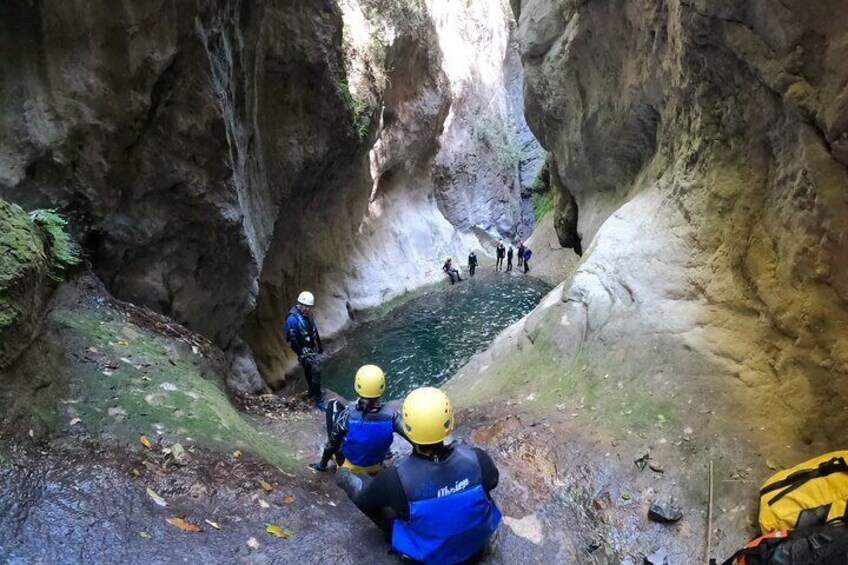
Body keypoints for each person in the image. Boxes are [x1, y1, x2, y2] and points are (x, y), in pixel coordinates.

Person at [336, 387, 501, 565]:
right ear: (448, 421)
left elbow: (365, 502)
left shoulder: (395, 478)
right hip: (475, 545)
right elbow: (492, 482)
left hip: (429, 558)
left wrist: (344, 476)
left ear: (407, 425)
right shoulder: (477, 457)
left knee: (382, 505)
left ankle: (406, 546)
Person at [309, 365, 405, 475]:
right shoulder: (392, 416)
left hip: (348, 467)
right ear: (382, 387)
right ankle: (388, 453)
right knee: (381, 432)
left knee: (333, 405)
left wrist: (322, 464)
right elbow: (412, 436)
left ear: (357, 386)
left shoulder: (347, 415)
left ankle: (323, 466)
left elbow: (331, 445)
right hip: (376, 466)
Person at [284, 291, 325, 409]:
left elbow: (314, 330)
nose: (307, 309)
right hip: (302, 348)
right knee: (315, 369)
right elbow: (292, 340)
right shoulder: (292, 319)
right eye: (305, 306)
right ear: (300, 304)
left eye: (309, 306)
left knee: (309, 369)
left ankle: (312, 392)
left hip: (310, 347)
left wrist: (319, 345)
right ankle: (318, 399)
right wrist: (302, 353)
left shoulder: (308, 314)